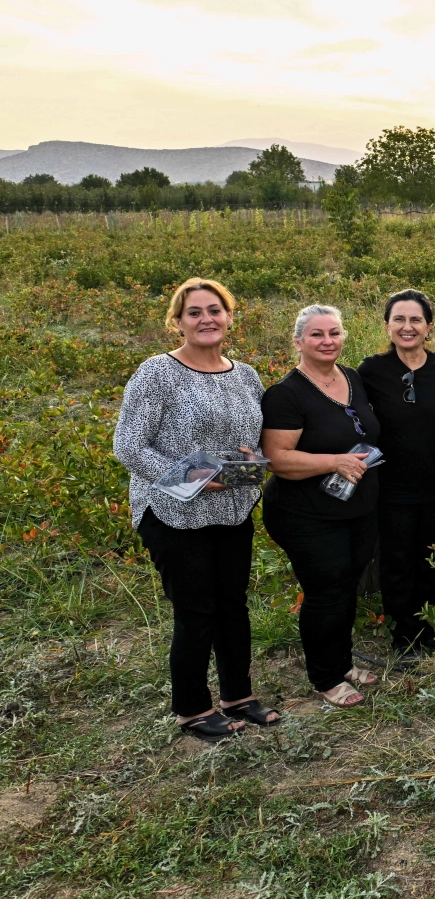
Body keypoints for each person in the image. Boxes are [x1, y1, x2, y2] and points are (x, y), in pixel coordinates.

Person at [113, 278, 278, 741]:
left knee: (232, 605)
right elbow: (128, 445)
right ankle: (191, 709)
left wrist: (248, 466)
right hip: (172, 512)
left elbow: (253, 445)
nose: (206, 319)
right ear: (178, 321)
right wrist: (198, 480)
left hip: (232, 510)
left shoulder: (246, 374)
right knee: (195, 610)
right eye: (194, 312)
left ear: (229, 316)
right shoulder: (157, 372)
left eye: (214, 310)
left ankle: (237, 697)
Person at [260, 305, 383, 709]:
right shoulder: (287, 394)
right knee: (325, 591)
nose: (327, 341)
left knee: (347, 585)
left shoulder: (351, 378)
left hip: (354, 507)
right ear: (298, 342)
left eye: (334, 333)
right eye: (316, 335)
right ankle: (326, 677)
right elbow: (278, 459)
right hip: (305, 512)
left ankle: (342, 662)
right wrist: (333, 462)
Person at [357, 290, 435, 655]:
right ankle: (404, 635)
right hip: (390, 483)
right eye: (399, 319)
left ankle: (429, 629)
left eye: (415, 319)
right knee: (397, 559)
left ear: (429, 326)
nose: (407, 327)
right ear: (387, 326)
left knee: (431, 557)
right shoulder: (371, 371)